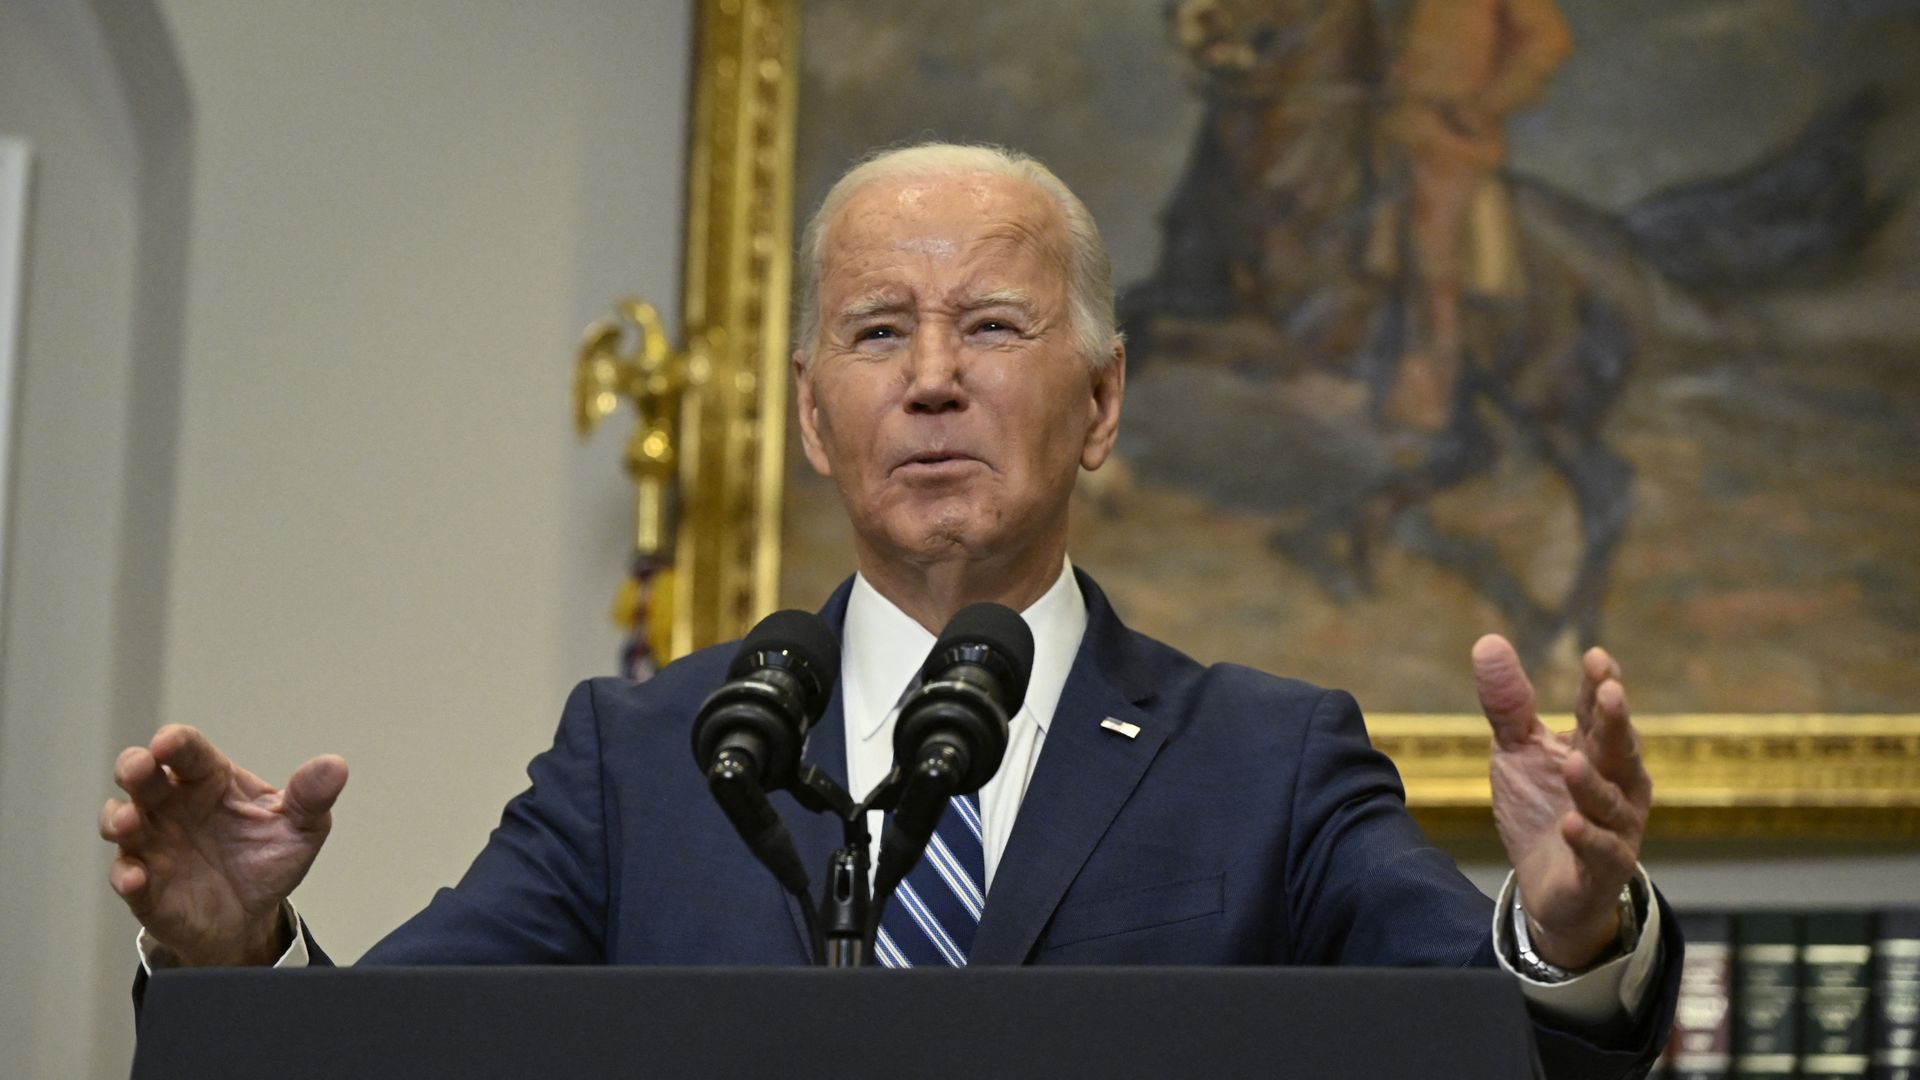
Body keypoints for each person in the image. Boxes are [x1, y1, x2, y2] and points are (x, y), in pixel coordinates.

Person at [102, 142, 1676, 1075]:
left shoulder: (1269, 763)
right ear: (809, 414)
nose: (930, 379)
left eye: (992, 324)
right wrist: (238, 965)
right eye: (875, 331)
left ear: (1105, 401)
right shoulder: (645, 760)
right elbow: (394, 1069)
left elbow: (1490, 1054)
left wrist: (1563, 926)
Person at [1383, 0, 1574, 430]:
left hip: (1451, 138)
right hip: (1383, 123)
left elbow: (1549, 41)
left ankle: (1432, 393)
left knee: (1430, 246)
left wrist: (1484, 106)